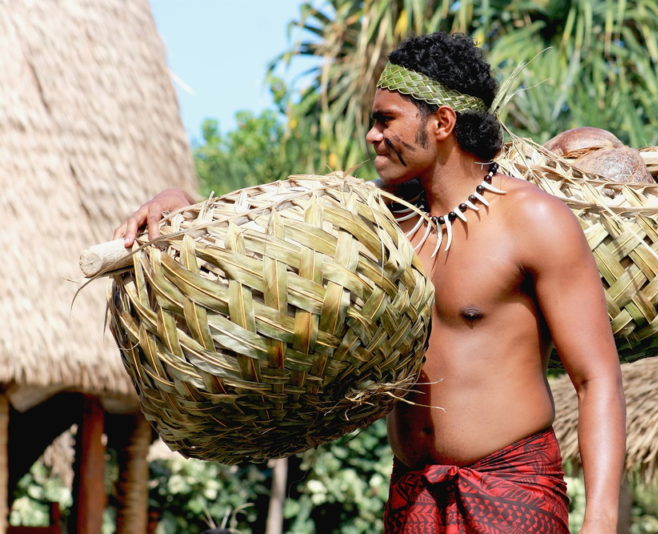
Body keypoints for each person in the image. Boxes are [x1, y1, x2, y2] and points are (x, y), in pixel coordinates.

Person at [115, 32, 625, 534]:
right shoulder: (374, 220)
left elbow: (596, 378)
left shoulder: (534, 221)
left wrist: (599, 521)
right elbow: (254, 231)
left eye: (386, 120)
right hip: (412, 494)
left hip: (511, 491)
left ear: (442, 122)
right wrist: (174, 199)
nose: (372, 136)